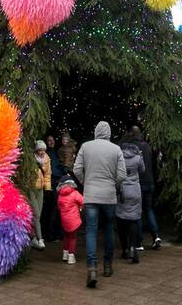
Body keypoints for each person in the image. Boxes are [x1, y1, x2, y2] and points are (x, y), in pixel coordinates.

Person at [73, 121, 126, 288]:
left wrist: (85, 182)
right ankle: (108, 265)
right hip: (109, 196)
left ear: (96, 131)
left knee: (91, 231)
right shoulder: (116, 149)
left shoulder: (85, 147)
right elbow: (122, 175)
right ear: (109, 133)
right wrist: (113, 185)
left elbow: (76, 169)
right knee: (109, 229)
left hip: (90, 196)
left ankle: (92, 267)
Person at [125, 125, 162, 250]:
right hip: (149, 181)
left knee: (138, 212)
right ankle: (156, 236)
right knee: (149, 209)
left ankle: (139, 242)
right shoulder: (147, 146)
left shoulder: (132, 147)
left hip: (139, 183)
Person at [116, 139, 145, 264]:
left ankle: (125, 249)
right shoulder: (138, 157)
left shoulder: (119, 157)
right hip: (134, 191)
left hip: (122, 192)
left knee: (121, 221)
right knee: (133, 221)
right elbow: (143, 170)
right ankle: (134, 248)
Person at [28, 140, 52, 250]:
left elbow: (47, 175)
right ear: (36, 150)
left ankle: (32, 237)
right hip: (32, 189)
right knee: (36, 214)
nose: (42, 152)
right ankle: (40, 239)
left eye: (43, 150)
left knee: (38, 215)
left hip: (41, 190)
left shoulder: (46, 159)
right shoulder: (31, 159)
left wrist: (47, 189)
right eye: (40, 150)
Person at [57, 173, 85, 265]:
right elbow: (83, 201)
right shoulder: (75, 193)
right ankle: (71, 256)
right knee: (73, 238)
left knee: (66, 236)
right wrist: (80, 207)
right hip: (73, 220)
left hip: (64, 220)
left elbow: (59, 206)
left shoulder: (60, 195)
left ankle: (65, 254)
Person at [43, 135, 64, 242]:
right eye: (49, 140)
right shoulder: (48, 154)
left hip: (55, 183)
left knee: (53, 209)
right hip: (51, 184)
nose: (51, 142)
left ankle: (53, 233)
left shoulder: (56, 153)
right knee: (53, 209)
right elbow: (52, 170)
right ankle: (51, 234)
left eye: (52, 140)